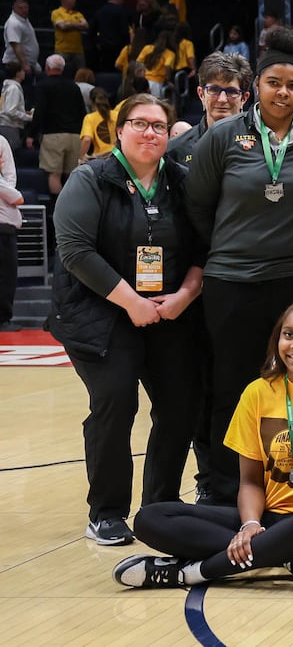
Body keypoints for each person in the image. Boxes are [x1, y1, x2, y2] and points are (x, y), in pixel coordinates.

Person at [113, 299, 293, 588]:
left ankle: (195, 571)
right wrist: (249, 525)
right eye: (288, 335)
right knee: (151, 517)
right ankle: (292, 560)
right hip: (268, 520)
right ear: (278, 339)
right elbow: (249, 482)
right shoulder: (257, 393)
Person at [185, 28, 293, 505]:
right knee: (233, 387)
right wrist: (233, 247)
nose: (283, 92)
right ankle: (222, 490)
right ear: (257, 84)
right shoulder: (222, 137)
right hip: (233, 283)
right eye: (274, 82)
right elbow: (199, 206)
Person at [52, 94, 203, 545]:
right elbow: (76, 251)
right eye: (140, 124)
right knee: (116, 401)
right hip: (100, 311)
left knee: (180, 405)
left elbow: (203, 248)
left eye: (159, 126)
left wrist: (185, 294)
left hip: (167, 311)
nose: (150, 133)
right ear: (119, 129)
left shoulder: (182, 181)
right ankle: (107, 512)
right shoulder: (90, 178)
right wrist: (130, 301)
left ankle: (159, 506)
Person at [166, 52, 251, 165]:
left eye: (231, 92)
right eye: (214, 90)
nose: (222, 99)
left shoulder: (264, 146)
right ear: (201, 94)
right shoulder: (175, 149)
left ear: (244, 98)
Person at [32, 55, 85, 198]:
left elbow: (40, 112)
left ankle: (57, 211)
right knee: (71, 175)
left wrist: (31, 135)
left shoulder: (43, 85)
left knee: (54, 175)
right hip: (74, 136)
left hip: (53, 135)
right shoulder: (74, 87)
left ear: (47, 68)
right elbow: (82, 113)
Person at [0, 136, 19, 332]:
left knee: (6, 274)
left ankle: (4, 318)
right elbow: (18, 198)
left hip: (5, 224)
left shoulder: (1, 142)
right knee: (5, 275)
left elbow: (10, 177)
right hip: (3, 226)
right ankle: (3, 319)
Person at [93, 0, 131, 73]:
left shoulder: (99, 11)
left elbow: (92, 31)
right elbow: (124, 31)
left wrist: (98, 43)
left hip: (104, 49)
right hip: (119, 48)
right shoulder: (121, 11)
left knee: (106, 72)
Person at [51, 0, 89, 73]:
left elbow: (86, 25)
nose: (75, 0)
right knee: (58, 72)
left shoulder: (78, 14)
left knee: (82, 73)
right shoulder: (56, 13)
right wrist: (78, 25)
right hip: (62, 50)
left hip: (78, 51)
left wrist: (69, 24)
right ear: (65, 0)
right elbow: (62, 26)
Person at [3, 0, 37, 78]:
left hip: (26, 64)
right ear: (14, 8)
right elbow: (16, 45)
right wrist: (25, 64)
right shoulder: (13, 23)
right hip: (16, 66)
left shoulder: (24, 19)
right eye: (20, 8)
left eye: (26, 7)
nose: (24, 10)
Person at [80, 87, 115, 158]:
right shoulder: (117, 114)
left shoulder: (90, 118)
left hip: (101, 158)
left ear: (91, 101)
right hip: (120, 155)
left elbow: (87, 139)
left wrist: (81, 156)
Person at [0, 63, 26, 152]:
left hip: (5, 126)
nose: (24, 72)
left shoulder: (6, 88)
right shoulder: (13, 88)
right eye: (22, 70)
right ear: (17, 73)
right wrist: (28, 117)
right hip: (10, 127)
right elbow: (11, 111)